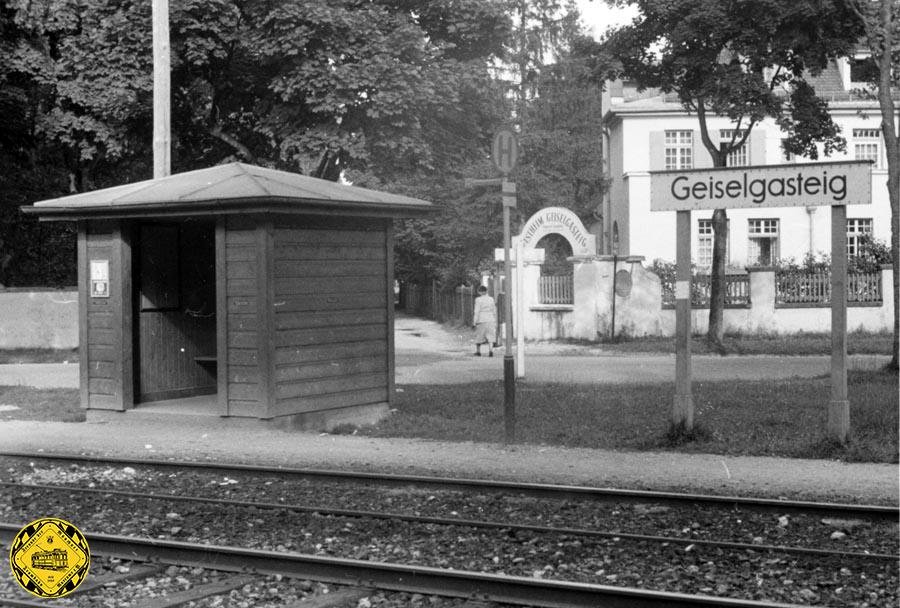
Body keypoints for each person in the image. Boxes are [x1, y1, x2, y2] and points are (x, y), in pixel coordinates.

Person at [472, 285, 497, 357]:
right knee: (491, 335)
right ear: (486, 291)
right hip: (490, 319)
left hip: (481, 319)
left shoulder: (478, 300)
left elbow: (476, 311)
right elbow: (494, 310)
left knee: (479, 335)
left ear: (479, 292)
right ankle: (491, 350)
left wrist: (474, 322)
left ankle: (478, 351)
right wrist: (495, 319)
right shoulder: (491, 299)